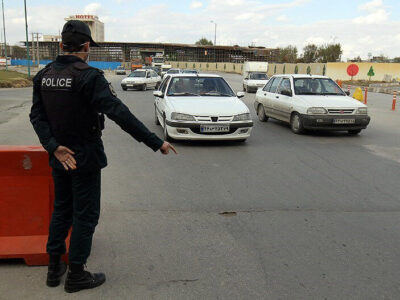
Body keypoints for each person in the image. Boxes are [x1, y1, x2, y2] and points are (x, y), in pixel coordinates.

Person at [29, 20, 177, 293]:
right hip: (85, 156)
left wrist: (53, 146)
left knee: (61, 210)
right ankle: (76, 274)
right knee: (85, 215)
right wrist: (156, 142)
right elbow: (120, 114)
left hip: (60, 156)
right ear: (86, 46)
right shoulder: (90, 77)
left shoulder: (44, 75)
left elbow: (36, 116)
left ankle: (54, 269)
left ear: (62, 45)